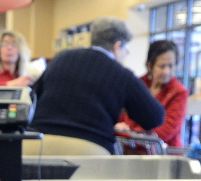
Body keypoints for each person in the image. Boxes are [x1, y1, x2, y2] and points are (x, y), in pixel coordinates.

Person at [26, 16, 165, 156]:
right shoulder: (120, 74)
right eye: (126, 51)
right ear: (117, 46)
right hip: (88, 148)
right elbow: (154, 117)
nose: (124, 56)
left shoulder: (60, 58)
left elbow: (33, 97)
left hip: (37, 143)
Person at [115, 39, 190, 148]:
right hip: (131, 151)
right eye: (162, 66)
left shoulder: (179, 92)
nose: (166, 71)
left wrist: (130, 133)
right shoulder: (138, 84)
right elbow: (122, 116)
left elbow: (166, 131)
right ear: (150, 66)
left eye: (171, 66)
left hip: (163, 154)